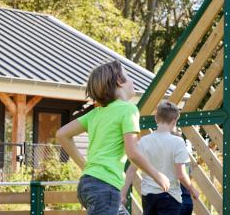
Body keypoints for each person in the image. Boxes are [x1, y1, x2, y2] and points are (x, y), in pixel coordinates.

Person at [56, 60, 170, 214]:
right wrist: (157, 176)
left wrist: (86, 167)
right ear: (119, 81)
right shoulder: (128, 109)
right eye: (129, 76)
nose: (132, 80)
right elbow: (132, 152)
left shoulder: (95, 113)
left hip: (88, 184)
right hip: (105, 188)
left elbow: (62, 134)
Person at [122, 101, 199, 215]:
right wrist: (193, 190)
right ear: (174, 122)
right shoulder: (177, 142)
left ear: (156, 119)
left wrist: (123, 193)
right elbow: (181, 174)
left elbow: (131, 170)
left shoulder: (143, 141)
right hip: (170, 196)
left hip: (148, 196)